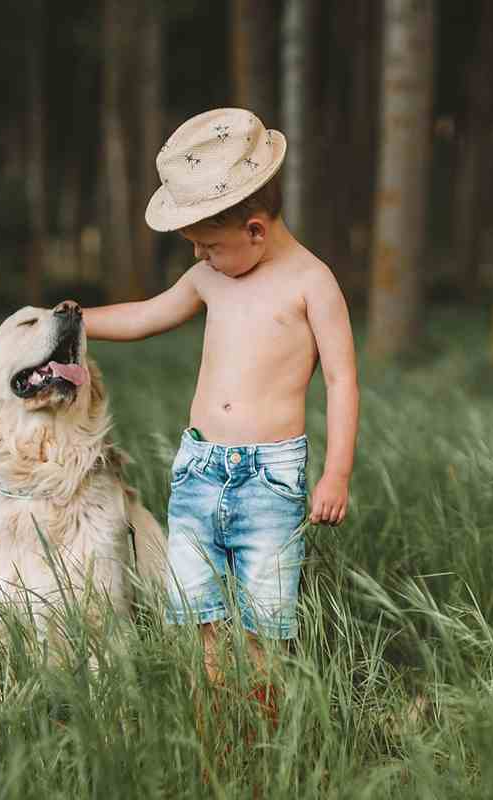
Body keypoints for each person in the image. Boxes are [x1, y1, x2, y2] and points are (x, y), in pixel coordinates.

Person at [82, 108, 359, 708]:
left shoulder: (312, 283)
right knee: (197, 610)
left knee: (264, 616)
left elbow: (341, 379)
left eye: (209, 246)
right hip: (200, 468)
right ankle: (211, 723)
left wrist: (336, 472)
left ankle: (260, 728)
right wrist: (75, 322)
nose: (201, 258)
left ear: (256, 230)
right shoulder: (211, 278)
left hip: (270, 475)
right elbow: (144, 315)